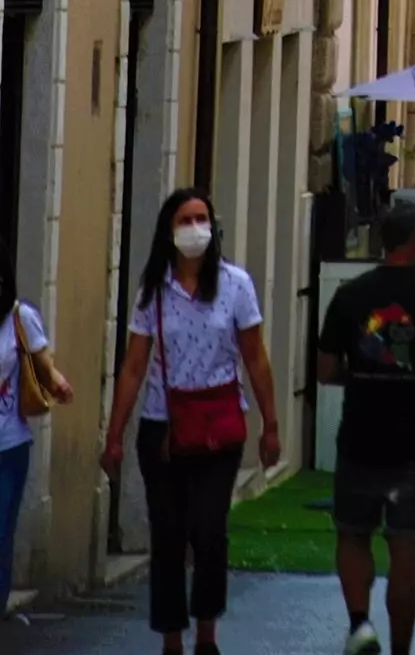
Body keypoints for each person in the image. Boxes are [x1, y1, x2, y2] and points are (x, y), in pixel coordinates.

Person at [102, 190, 280, 655]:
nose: (196, 226)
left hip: (219, 427)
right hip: (163, 428)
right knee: (167, 532)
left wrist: (271, 423)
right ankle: (171, 639)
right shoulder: (154, 289)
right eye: (186, 219)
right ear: (170, 229)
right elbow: (135, 366)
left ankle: (207, 634)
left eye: (203, 218)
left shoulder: (236, 284)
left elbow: (255, 357)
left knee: (207, 528)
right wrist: (114, 435)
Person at [316, 196, 415, 655]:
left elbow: (326, 368)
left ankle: (359, 624)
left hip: (361, 435)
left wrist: (360, 375)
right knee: (407, 546)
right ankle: (401, 649)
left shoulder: (351, 294)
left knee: (352, 533)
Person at [0, 242, 72, 618]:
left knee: (0, 532)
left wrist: (58, 383)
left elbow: (43, 365)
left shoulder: (19, 318)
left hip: (8, 446)